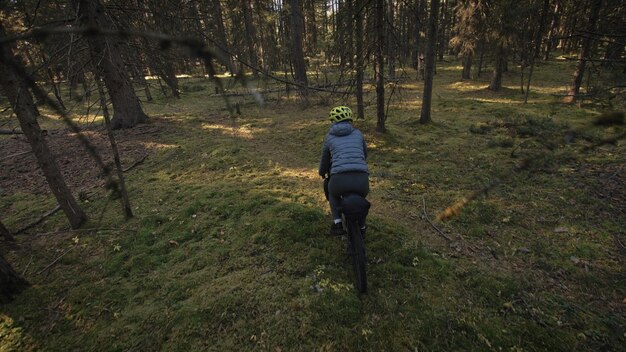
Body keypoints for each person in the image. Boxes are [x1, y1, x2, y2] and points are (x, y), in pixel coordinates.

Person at [318, 106, 369, 235]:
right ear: (349, 120)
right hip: (361, 179)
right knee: (361, 198)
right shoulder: (358, 133)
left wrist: (322, 172)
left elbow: (325, 160)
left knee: (332, 192)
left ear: (333, 121)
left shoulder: (329, 137)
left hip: (339, 179)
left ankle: (337, 223)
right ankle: (362, 227)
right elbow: (365, 154)